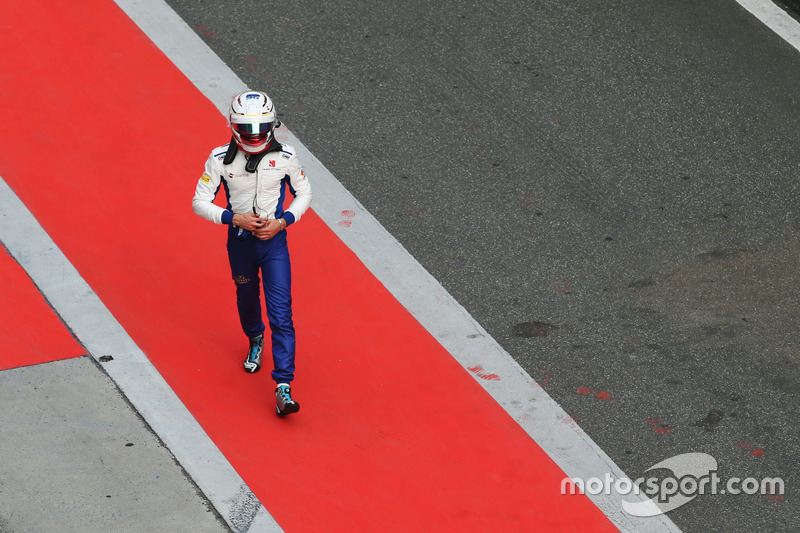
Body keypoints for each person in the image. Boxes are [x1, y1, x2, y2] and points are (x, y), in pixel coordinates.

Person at [192, 91, 312, 416]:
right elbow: (199, 201)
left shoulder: (287, 155)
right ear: (234, 126)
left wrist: (283, 222)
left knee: (282, 313)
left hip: (273, 244)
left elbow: (304, 192)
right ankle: (255, 337)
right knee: (246, 297)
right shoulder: (219, 159)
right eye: (248, 129)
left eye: (261, 129)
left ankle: (283, 385)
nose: (255, 135)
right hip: (240, 243)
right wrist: (234, 218)